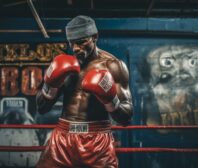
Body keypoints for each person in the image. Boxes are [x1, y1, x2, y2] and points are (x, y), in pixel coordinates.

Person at [35, 15, 133, 168]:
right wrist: (50, 86)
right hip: (62, 137)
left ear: (95, 37)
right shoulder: (64, 65)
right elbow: (42, 108)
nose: (75, 48)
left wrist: (109, 99)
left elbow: (126, 117)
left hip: (97, 140)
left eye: (81, 42)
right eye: (72, 43)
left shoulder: (113, 66)